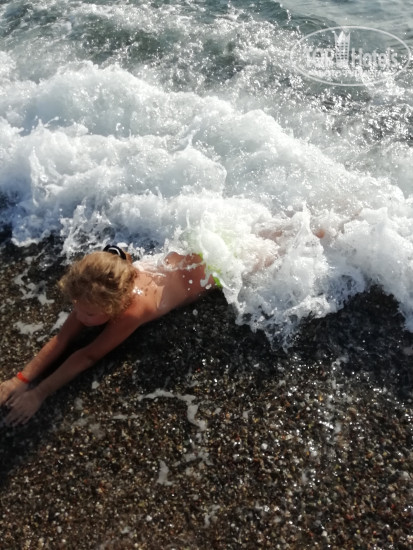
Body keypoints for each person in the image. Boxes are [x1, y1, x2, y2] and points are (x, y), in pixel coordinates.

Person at [0, 246, 218, 427]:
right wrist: (20, 379)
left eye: (89, 314)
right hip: (195, 252)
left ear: (116, 306)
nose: (80, 317)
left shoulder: (133, 311)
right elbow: (61, 339)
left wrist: (39, 393)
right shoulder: (92, 288)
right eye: (76, 307)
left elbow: (88, 356)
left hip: (215, 269)